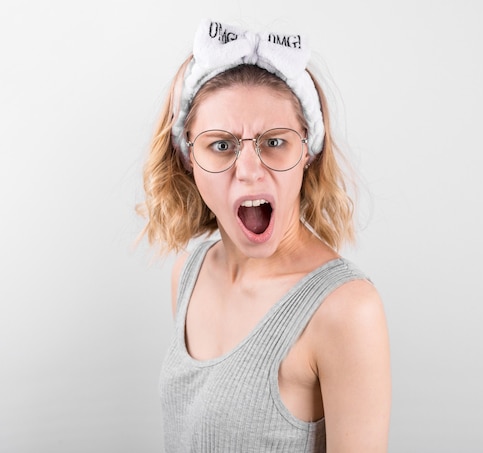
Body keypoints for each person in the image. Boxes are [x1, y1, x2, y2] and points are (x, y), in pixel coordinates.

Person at [140, 18, 391, 453]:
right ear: (187, 157)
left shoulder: (346, 309)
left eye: (275, 142)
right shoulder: (188, 272)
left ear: (308, 152)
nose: (250, 169)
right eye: (221, 145)